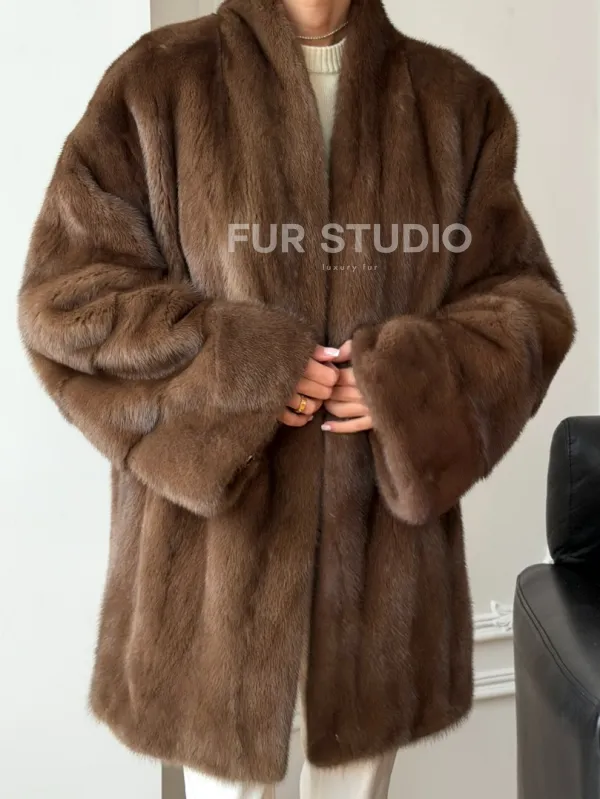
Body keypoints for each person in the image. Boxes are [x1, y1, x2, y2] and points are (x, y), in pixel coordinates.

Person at [17, 0, 575, 796]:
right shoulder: (158, 85)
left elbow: (524, 303)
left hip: (380, 604)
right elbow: (66, 299)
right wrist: (238, 368)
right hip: (211, 603)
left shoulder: (454, 104)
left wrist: (410, 382)